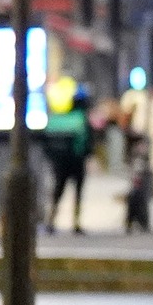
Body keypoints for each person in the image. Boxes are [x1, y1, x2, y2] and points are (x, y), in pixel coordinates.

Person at [42, 87, 93, 234]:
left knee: (57, 191)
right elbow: (86, 142)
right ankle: (76, 223)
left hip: (59, 162)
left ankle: (50, 221)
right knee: (78, 192)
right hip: (77, 161)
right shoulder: (81, 119)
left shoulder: (60, 119)